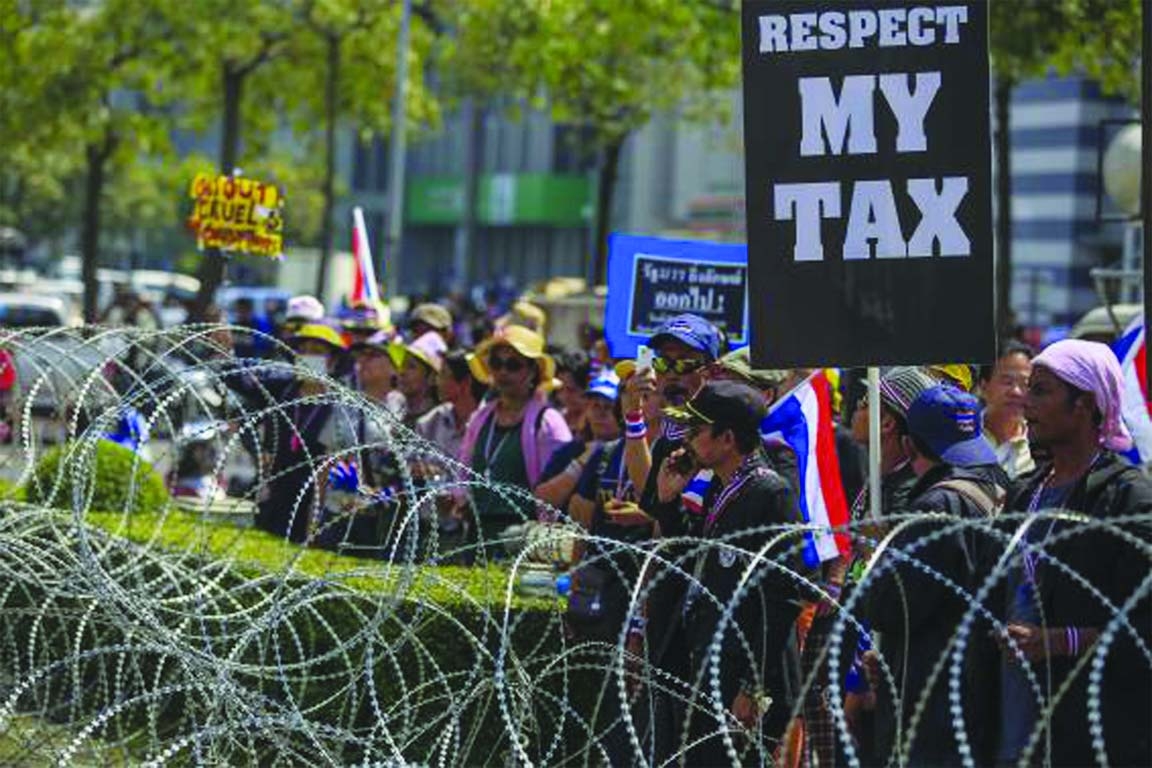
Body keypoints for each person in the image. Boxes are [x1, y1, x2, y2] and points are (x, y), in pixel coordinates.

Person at [994, 339, 1152, 767]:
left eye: (1042, 391)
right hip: (1016, 727)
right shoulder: (1026, 492)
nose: (1026, 401)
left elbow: (1144, 627)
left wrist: (1061, 642)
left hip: (1090, 728)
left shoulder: (1126, 499)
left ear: (1084, 404)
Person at [647, 380, 804, 763]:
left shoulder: (770, 493)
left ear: (728, 438)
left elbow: (782, 599)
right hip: (711, 661)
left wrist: (754, 686)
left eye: (697, 430)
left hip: (746, 675)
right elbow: (693, 560)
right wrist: (668, 502)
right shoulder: (722, 486)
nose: (687, 439)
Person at [865, 384, 1007, 767]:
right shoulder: (998, 490)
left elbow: (889, 607)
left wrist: (876, 560)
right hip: (984, 685)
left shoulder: (936, 506)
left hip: (929, 695)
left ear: (910, 446)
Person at [456, 325, 572, 548]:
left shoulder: (548, 422)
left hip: (523, 535)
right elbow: (463, 465)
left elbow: (559, 487)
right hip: (477, 531)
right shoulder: (482, 416)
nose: (503, 372)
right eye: (496, 363)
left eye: (513, 365)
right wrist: (458, 495)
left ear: (532, 372)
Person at [253, 323, 356, 544]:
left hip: (313, 501)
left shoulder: (340, 405)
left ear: (333, 361)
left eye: (318, 352)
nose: (308, 356)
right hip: (275, 495)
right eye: (304, 350)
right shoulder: (284, 393)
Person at [536, 371, 621, 514]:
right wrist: (582, 462)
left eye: (608, 407)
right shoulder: (570, 451)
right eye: (595, 405)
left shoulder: (630, 454)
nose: (600, 413)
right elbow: (541, 501)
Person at [416, 350, 485, 463]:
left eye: (443, 374)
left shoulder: (487, 424)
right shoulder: (431, 422)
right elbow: (413, 463)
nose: (436, 382)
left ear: (466, 382)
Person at [979, 341, 1035, 480]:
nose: (1016, 392)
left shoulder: (1039, 443)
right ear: (984, 387)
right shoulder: (964, 435)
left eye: (1025, 384)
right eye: (1007, 382)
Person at [397, 331, 446, 427]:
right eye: (402, 365)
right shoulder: (399, 417)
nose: (402, 372)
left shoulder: (440, 423)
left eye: (411, 367)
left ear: (432, 377)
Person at [553, 349, 593, 440]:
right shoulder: (557, 419)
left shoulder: (598, 425)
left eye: (571, 390)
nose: (564, 396)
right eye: (560, 390)